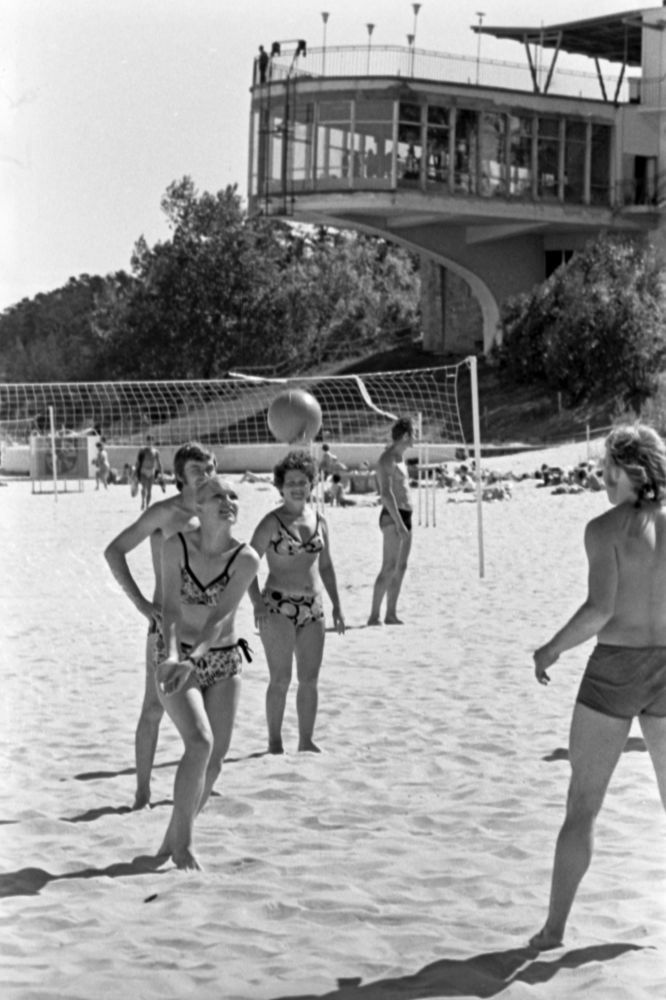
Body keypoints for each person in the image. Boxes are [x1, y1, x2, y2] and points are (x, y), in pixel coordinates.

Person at [530, 423, 666, 951]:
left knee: (582, 805)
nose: (600, 476)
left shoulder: (604, 529)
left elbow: (600, 609)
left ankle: (553, 930)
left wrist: (551, 649)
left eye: (607, 467)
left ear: (627, 470)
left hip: (614, 668)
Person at [104, 442, 216, 809]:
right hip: (166, 626)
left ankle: (200, 783)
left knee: (210, 709)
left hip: (205, 629)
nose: (206, 476)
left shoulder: (217, 510)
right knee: (153, 709)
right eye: (198, 471)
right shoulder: (164, 514)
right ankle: (142, 793)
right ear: (181, 476)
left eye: (210, 469)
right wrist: (140, 603)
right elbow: (114, 551)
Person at [155, 476, 259, 870]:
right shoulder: (175, 546)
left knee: (214, 761)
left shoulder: (246, 558)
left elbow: (220, 618)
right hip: (174, 655)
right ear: (198, 505)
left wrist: (195, 658)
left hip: (221, 658)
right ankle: (184, 848)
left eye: (233, 496)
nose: (228, 501)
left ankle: (172, 837)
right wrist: (172, 655)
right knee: (199, 743)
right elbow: (170, 610)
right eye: (218, 495)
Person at [248, 450, 345, 754]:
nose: (297, 487)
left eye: (303, 481)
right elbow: (247, 565)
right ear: (280, 486)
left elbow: (326, 566)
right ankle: (275, 742)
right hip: (277, 605)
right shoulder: (271, 523)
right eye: (291, 482)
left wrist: (337, 605)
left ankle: (306, 739)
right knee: (280, 678)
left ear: (312, 484)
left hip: (313, 607)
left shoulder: (320, 521)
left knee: (310, 679)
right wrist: (257, 604)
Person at [367, 417, 415, 625]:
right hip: (392, 516)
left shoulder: (400, 458)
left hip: (405, 514)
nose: (415, 438)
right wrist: (399, 523)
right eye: (414, 434)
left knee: (401, 566)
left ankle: (391, 613)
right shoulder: (387, 459)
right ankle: (374, 615)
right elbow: (386, 494)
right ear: (406, 436)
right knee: (389, 566)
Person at [135, 434, 163, 510]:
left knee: (150, 490)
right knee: (143, 488)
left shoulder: (156, 452)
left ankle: (147, 506)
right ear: (146, 441)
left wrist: (161, 473)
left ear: (152, 442)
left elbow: (158, 463)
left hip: (151, 471)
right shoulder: (142, 450)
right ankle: (142, 502)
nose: (149, 442)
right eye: (148, 441)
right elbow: (138, 461)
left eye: (151, 441)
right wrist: (135, 472)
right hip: (143, 470)